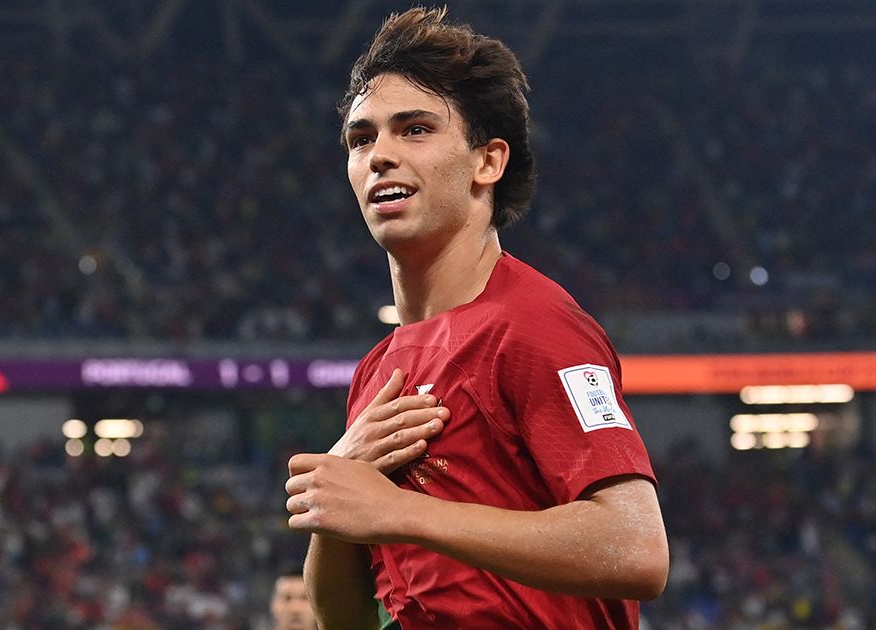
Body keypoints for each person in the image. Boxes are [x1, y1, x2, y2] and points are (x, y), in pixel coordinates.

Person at [284, 7, 669, 629]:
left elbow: (636, 549)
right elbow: (346, 621)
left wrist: (398, 512)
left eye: (414, 130)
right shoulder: (378, 373)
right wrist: (343, 487)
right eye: (362, 138)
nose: (379, 155)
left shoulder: (535, 326)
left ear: (488, 162)